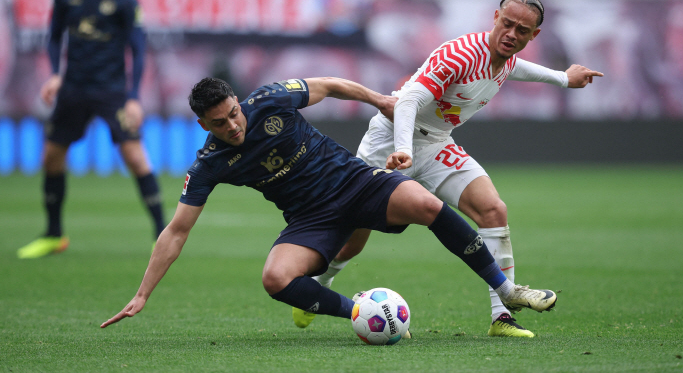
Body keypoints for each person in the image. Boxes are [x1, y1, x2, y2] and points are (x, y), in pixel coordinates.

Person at [100, 77, 557, 330]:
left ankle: (506, 289)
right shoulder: (209, 163)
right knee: (275, 278)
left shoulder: (270, 100)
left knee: (425, 204)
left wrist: (379, 99)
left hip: (355, 182)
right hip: (310, 217)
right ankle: (357, 312)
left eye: (234, 113)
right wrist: (142, 294)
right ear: (203, 122)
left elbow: (330, 85)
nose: (234, 126)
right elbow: (177, 230)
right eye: (220, 123)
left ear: (239, 102)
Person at [296, 0, 603, 337]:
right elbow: (408, 100)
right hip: (390, 143)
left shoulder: (507, 59)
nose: (511, 34)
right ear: (495, 18)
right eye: (507, 24)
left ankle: (502, 317)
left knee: (493, 210)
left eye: (522, 30)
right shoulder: (460, 54)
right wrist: (403, 148)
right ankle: (316, 288)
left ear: (534, 36)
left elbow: (517, 69)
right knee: (354, 237)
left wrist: (564, 78)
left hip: (436, 145)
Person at [17, 0, 165, 259]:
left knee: (136, 157)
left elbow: (138, 51)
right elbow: (55, 38)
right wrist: (56, 74)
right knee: (51, 158)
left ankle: (161, 235)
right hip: (73, 88)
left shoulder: (125, 0)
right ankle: (54, 234)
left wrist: (133, 97)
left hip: (111, 91)